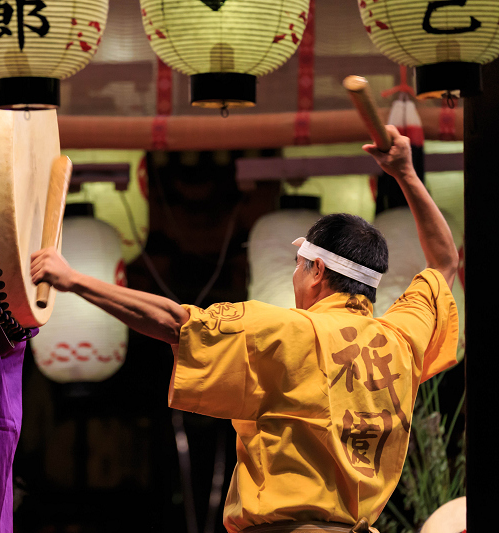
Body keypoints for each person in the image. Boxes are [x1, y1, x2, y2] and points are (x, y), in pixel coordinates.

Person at [30, 126, 459, 533]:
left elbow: (174, 323)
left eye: (297, 266)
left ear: (317, 271)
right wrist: (405, 174)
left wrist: (74, 280)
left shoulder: (286, 331)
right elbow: (443, 261)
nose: (293, 278)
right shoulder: (400, 339)